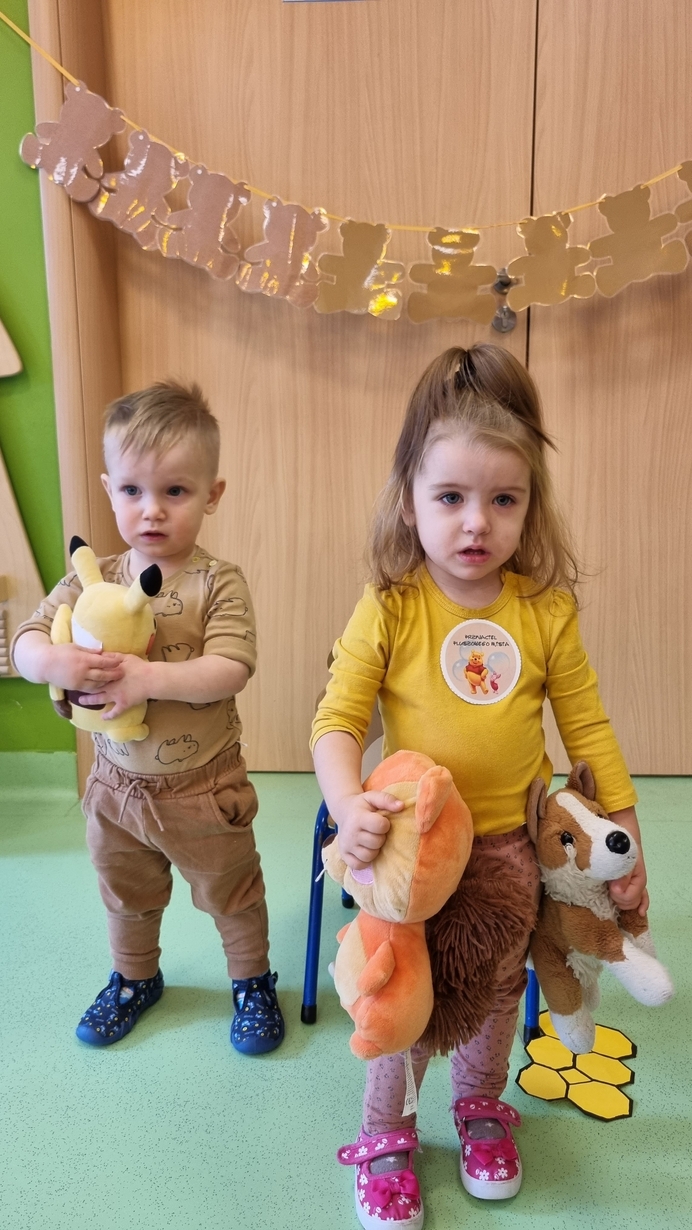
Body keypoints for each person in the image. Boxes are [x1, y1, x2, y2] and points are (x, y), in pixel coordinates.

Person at [311, 345, 647, 1228]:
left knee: (498, 993)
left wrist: (626, 835)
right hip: (408, 853)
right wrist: (348, 807)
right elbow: (336, 721)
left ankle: (480, 1105)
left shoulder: (543, 610)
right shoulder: (391, 605)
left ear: (531, 505)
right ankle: (386, 1133)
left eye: (504, 499)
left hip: (508, 852)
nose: (476, 523)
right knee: (400, 997)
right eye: (451, 497)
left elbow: (589, 729)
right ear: (409, 499)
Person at [12, 380, 284, 1055]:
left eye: (175, 491)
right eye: (133, 490)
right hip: (115, 786)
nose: (151, 509)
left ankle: (251, 982)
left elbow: (232, 666)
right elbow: (26, 640)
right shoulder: (92, 578)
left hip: (202, 787)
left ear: (212, 494)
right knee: (125, 891)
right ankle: (135, 978)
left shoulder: (217, 581)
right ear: (110, 490)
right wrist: (54, 662)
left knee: (231, 889)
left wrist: (148, 678)